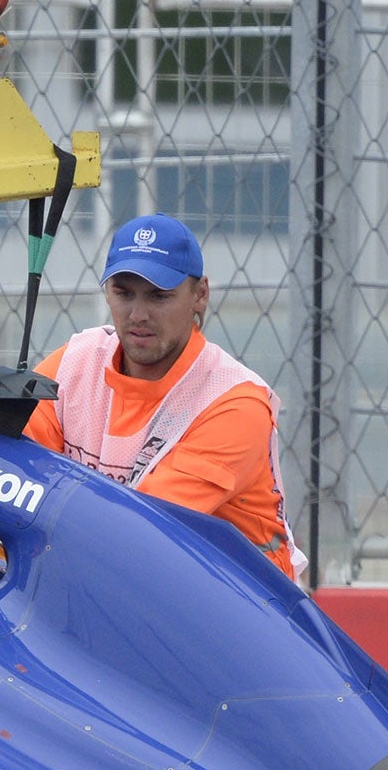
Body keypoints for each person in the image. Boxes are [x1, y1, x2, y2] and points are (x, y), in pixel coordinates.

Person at [24, 213, 305, 581]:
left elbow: (142, 533)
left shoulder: (233, 403)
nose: (138, 315)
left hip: (245, 603)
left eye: (159, 296)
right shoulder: (75, 363)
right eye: (123, 293)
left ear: (200, 295)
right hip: (123, 578)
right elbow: (15, 474)